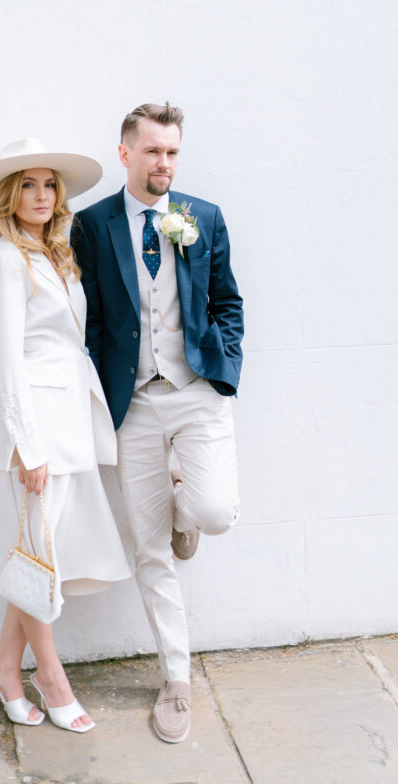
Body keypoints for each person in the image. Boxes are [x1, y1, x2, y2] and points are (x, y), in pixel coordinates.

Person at [71, 104, 243, 744]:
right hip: (134, 403)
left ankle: (184, 510)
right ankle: (176, 678)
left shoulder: (204, 217)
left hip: (197, 389)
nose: (163, 164)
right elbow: (87, 321)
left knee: (217, 510)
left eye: (172, 152)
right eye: (152, 152)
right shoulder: (92, 225)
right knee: (148, 550)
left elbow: (227, 301)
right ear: (125, 153)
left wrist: (225, 368)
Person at [0, 137, 130, 734]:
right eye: (27, 185)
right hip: (35, 434)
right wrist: (28, 449)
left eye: (48, 184)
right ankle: (51, 679)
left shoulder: (52, 254)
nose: (40, 195)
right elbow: (5, 362)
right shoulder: (6, 257)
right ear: (9, 195)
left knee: (40, 559)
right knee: (39, 556)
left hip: (68, 426)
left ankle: (5, 666)